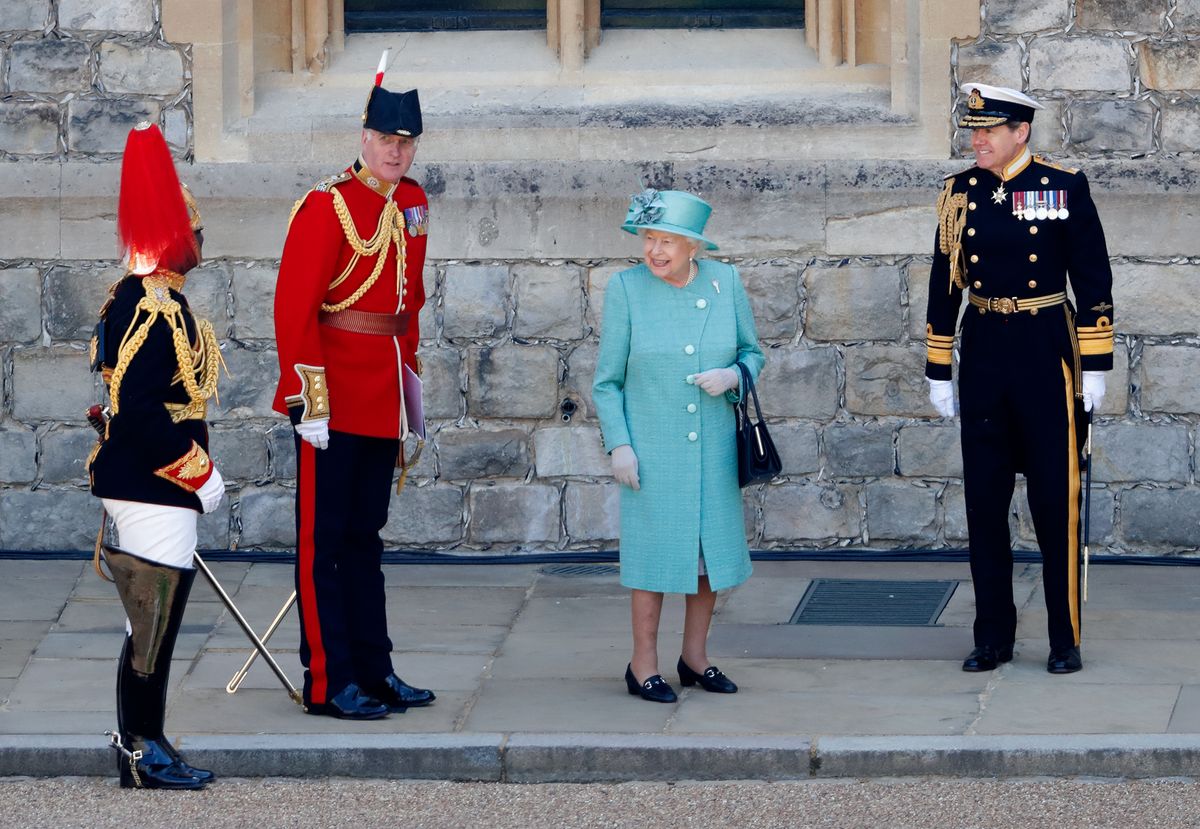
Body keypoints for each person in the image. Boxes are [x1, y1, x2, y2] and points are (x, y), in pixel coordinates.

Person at [924, 83, 1114, 675]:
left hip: (1045, 352)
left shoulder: (1063, 184)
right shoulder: (958, 193)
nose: (977, 140)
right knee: (984, 502)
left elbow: (1094, 278)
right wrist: (939, 367)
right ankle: (993, 637)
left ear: (1020, 131)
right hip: (983, 348)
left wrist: (1097, 364)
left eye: (989, 130)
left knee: (1055, 500)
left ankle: (1064, 637)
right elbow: (944, 280)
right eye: (972, 131)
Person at [271, 60, 435, 719]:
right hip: (332, 399)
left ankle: (374, 668)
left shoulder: (415, 203)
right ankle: (327, 681)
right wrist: (306, 400)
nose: (396, 151)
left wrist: (410, 396)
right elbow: (295, 308)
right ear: (364, 136)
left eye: (406, 142)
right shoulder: (326, 206)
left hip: (381, 396)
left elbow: (409, 305)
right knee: (325, 541)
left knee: (367, 538)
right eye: (386, 139)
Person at [88, 122, 225, 789]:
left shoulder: (150, 298)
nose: (202, 245)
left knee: (150, 621)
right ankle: (143, 749)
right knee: (152, 621)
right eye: (197, 232)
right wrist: (200, 472)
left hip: (153, 486)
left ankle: (141, 743)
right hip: (153, 484)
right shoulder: (150, 305)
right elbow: (140, 411)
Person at [593, 189, 765, 703]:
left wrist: (732, 374)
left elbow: (753, 354)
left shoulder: (724, 282)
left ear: (694, 246)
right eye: (649, 238)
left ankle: (695, 658)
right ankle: (641, 663)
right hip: (652, 448)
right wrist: (619, 445)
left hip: (712, 448)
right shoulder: (625, 289)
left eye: (668, 240)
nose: (655, 251)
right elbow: (607, 382)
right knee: (652, 559)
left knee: (709, 558)